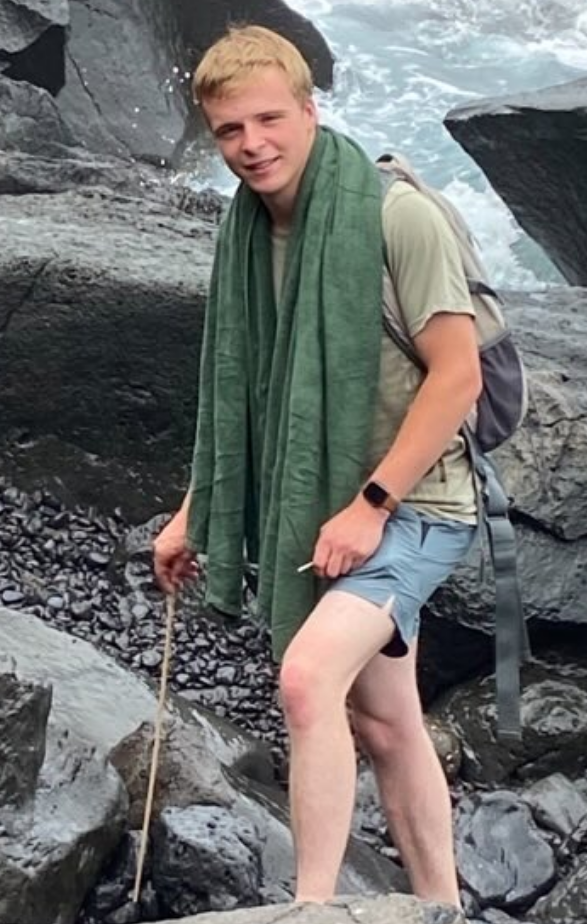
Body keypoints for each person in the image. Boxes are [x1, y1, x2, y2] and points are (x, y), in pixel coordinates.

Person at [153, 24, 481, 910]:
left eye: (269, 119)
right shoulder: (247, 231)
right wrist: (193, 512)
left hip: (415, 503)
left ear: (308, 109)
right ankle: (442, 907)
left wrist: (370, 504)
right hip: (324, 504)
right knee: (386, 720)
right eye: (229, 130)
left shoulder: (395, 215)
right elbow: (253, 395)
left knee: (306, 680)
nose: (252, 145)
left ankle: (312, 908)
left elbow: (458, 376)